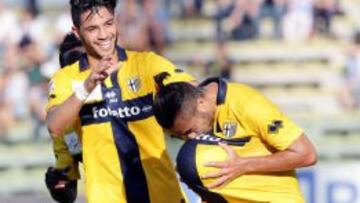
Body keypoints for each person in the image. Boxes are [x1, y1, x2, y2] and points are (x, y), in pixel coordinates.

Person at [45, 0, 194, 202]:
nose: (104, 34)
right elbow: (55, 126)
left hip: (163, 196)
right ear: (77, 32)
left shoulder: (146, 64)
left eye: (108, 24)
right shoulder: (66, 80)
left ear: (116, 22)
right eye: (92, 28)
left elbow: (196, 96)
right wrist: (87, 86)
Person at [152, 76, 317, 203]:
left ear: (201, 103)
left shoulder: (247, 105)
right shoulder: (194, 108)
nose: (190, 138)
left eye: (190, 131)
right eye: (180, 136)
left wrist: (244, 164)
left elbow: (306, 154)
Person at [45, 32, 83, 203]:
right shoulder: (66, 128)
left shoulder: (124, 83)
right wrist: (58, 183)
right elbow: (68, 193)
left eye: (81, 59)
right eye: (70, 61)